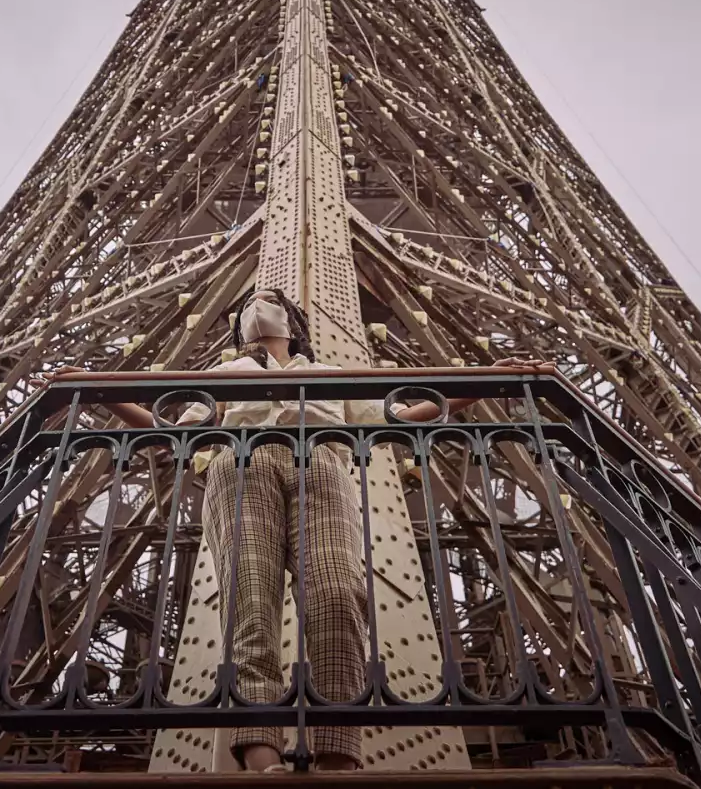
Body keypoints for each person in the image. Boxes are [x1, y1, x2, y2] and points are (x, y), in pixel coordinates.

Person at [37, 288, 543, 773]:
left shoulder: (328, 372)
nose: (259, 306)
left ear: (293, 326)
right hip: (241, 466)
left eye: (272, 303)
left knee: (339, 597)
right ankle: (259, 751)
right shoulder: (224, 372)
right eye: (251, 305)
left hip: (321, 467)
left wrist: (481, 384)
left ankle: (338, 749)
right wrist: (96, 390)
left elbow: (398, 416)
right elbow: (169, 431)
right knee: (248, 605)